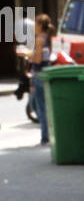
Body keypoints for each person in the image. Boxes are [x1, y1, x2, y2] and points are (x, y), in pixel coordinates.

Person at [28, 13, 54, 145]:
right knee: (40, 105)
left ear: (39, 25)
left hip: (38, 74)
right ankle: (48, 134)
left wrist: (27, 55)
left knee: (39, 106)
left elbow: (37, 59)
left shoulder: (39, 39)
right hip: (45, 73)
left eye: (34, 24)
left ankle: (46, 136)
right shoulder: (48, 37)